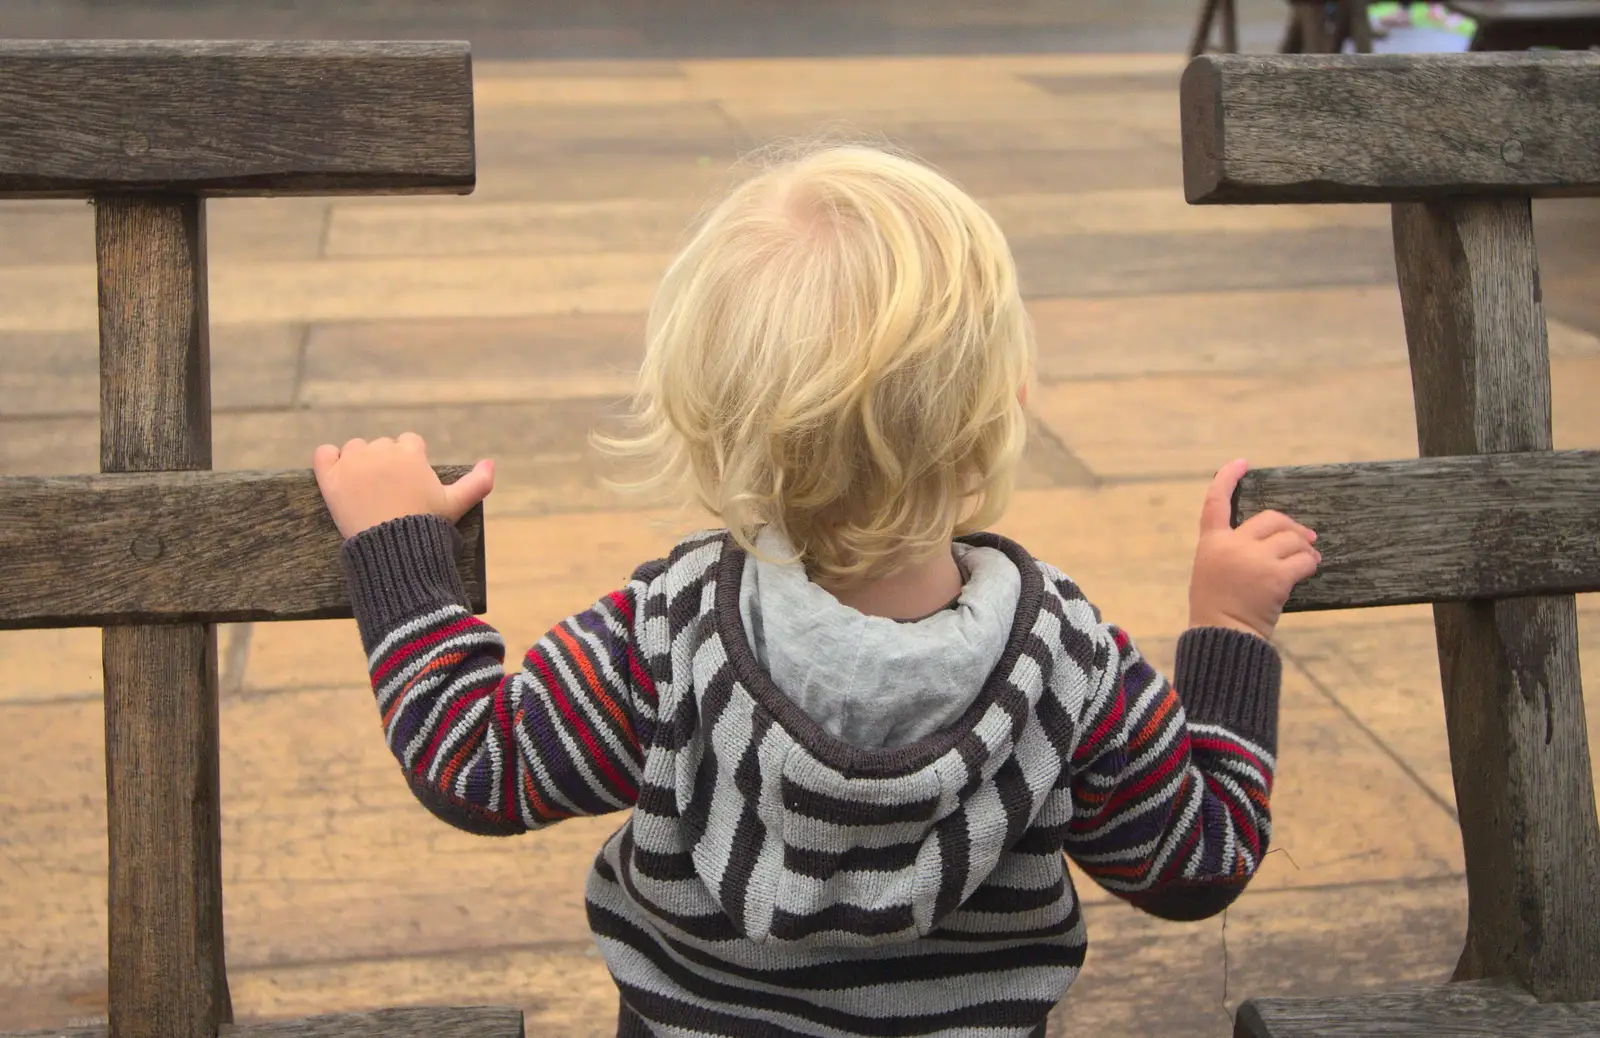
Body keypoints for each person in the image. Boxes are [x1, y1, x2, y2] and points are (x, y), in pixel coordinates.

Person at [312, 145, 1320, 1038]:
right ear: (999, 406)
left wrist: (400, 546)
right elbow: (1198, 862)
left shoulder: (667, 636)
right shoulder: (1068, 660)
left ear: (708, 414)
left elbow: (477, 764)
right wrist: (1229, 628)